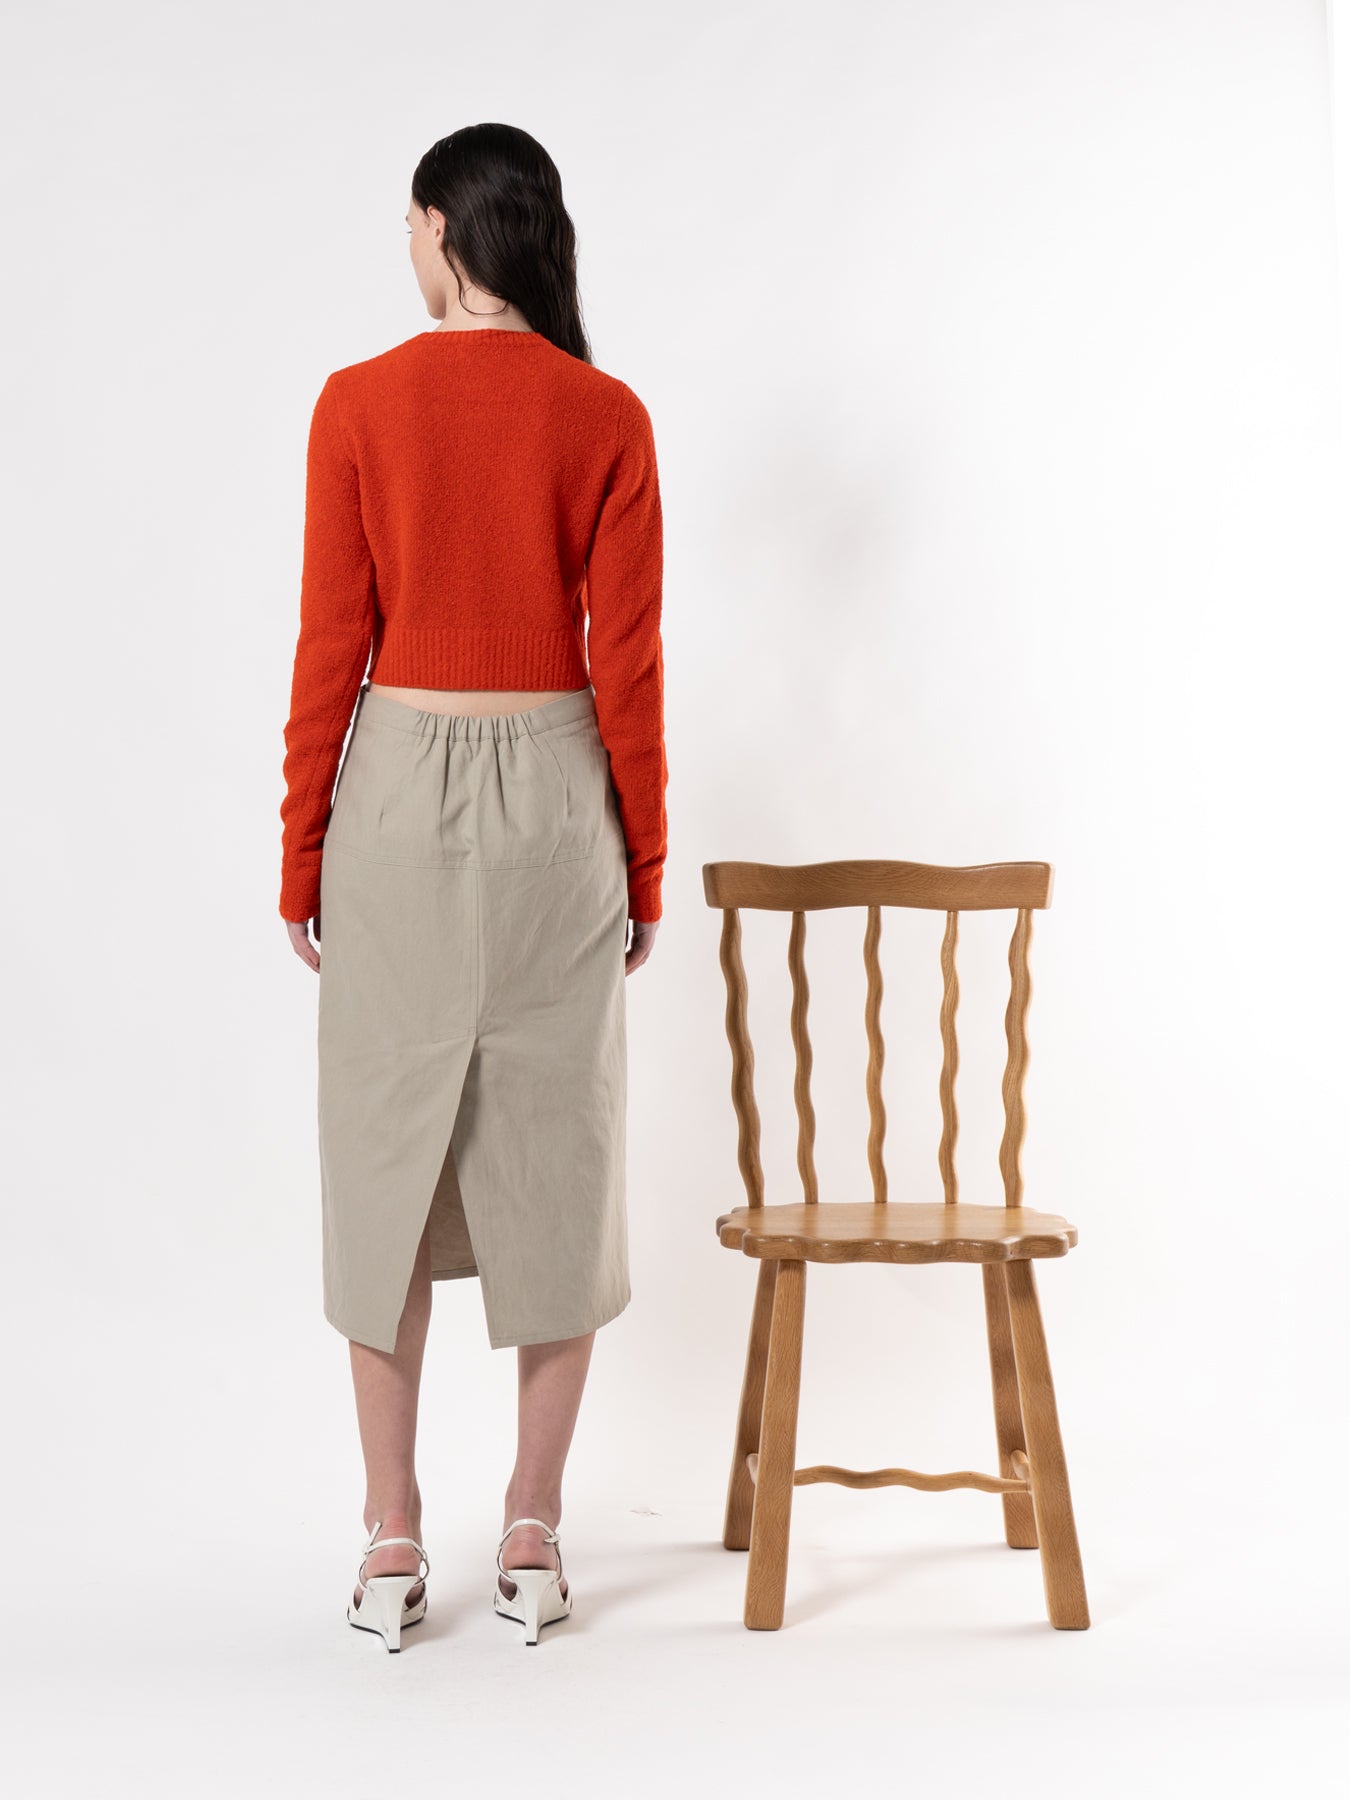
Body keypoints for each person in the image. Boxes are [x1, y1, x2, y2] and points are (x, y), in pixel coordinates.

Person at [277, 122, 667, 1649]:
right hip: (560, 802)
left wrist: (300, 848)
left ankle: (390, 1536)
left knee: (381, 1155)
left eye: (409, 225)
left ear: (442, 229)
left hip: (393, 801)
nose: (406, 245)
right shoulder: (604, 414)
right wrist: (643, 860)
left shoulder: (358, 404)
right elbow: (625, 664)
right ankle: (533, 1528)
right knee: (558, 1153)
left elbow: (331, 647)